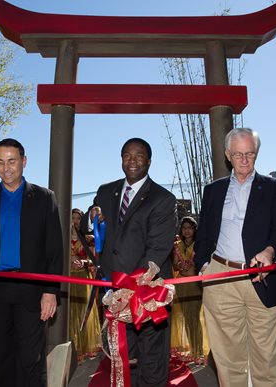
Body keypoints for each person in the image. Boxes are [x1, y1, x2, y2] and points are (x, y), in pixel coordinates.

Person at [0, 138, 63, 387]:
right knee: (0, 359)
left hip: (30, 289)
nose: (5, 168)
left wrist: (50, 292)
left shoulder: (44, 198)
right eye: (0, 162)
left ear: (24, 162)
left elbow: (54, 250)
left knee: (32, 359)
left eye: (11, 161)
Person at [194, 127, 276, 387]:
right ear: (227, 155)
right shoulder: (213, 190)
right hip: (220, 277)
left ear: (256, 154)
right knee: (227, 359)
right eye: (238, 154)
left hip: (262, 278)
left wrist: (270, 251)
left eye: (250, 154)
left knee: (265, 358)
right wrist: (204, 266)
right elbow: (203, 234)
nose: (244, 160)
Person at [84, 137, 177, 386]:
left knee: (152, 360)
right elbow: (87, 223)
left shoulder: (163, 199)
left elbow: (157, 249)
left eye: (138, 156)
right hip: (114, 292)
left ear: (148, 160)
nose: (132, 161)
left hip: (147, 294)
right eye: (127, 155)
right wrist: (92, 213)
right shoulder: (106, 191)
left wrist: (132, 286)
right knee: (123, 358)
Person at [170, 216, 207, 363]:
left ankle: (199, 351)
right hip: (181, 285)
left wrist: (188, 267)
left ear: (194, 229)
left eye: (189, 228)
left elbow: (199, 266)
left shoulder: (199, 245)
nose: (186, 231)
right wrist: (180, 266)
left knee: (195, 318)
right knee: (185, 317)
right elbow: (174, 266)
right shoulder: (177, 245)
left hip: (195, 286)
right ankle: (193, 349)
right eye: (184, 228)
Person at [69, 208, 101, 361]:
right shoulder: (62, 238)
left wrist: (83, 262)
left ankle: (83, 347)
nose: (74, 221)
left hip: (83, 279)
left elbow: (95, 261)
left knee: (83, 313)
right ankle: (71, 347)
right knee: (69, 314)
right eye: (72, 218)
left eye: (78, 218)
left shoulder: (89, 239)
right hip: (67, 281)